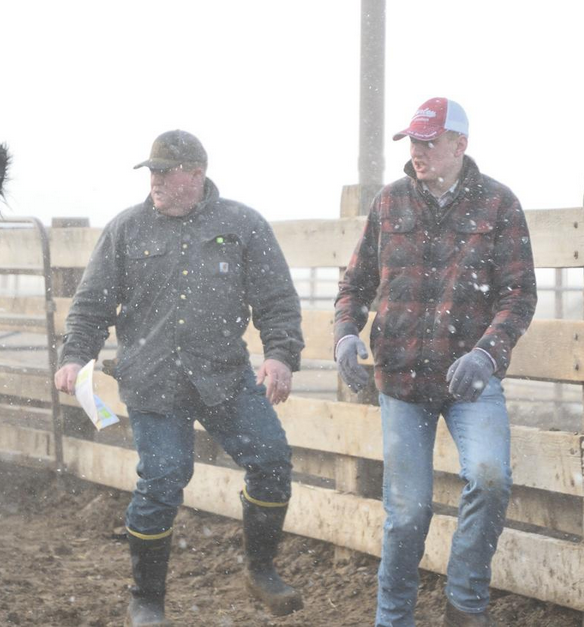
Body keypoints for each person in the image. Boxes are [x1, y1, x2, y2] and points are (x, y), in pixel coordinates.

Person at [54, 130, 305, 626]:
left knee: (273, 460)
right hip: (154, 381)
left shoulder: (242, 225)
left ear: (197, 173)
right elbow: (91, 306)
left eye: (166, 172)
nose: (156, 182)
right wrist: (73, 355)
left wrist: (280, 356)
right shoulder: (127, 230)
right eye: (151, 172)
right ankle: (146, 597)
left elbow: (276, 300)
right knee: (164, 479)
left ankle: (261, 568)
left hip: (223, 375)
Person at [334, 98, 537, 627]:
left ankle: (465, 605)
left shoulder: (498, 205)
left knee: (490, 478)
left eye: (429, 142)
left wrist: (485, 354)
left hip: (470, 379)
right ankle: (393, 618)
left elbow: (518, 295)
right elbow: (355, 284)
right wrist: (344, 333)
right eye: (414, 142)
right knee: (407, 514)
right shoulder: (390, 203)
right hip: (401, 379)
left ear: (459, 145)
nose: (418, 152)